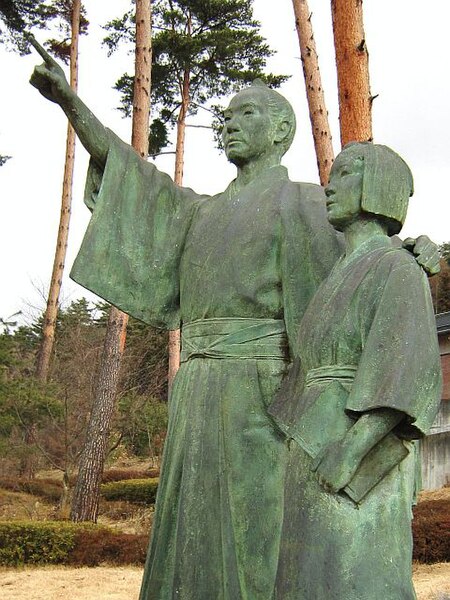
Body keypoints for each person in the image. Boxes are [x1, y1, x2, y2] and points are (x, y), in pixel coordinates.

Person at [29, 40, 439, 599]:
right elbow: (135, 180)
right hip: (198, 388)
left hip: (264, 395)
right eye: (224, 117)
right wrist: (72, 106)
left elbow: (363, 268)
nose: (228, 124)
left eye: (246, 113)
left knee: (264, 536)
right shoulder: (202, 212)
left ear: (281, 132)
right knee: (191, 533)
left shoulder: (306, 203)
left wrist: (411, 252)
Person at [270, 143, 442, 600]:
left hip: (357, 451)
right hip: (311, 443)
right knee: (308, 577)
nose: (330, 185)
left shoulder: (396, 267)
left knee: (360, 576)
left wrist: (350, 450)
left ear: (378, 186)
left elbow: (403, 373)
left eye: (345, 173)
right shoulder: (338, 272)